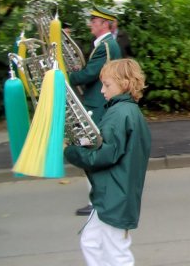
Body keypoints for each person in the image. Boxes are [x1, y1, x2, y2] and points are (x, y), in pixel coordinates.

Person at [65, 59, 151, 266]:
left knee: (117, 253)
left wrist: (71, 151)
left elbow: (101, 156)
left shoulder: (118, 114)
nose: (102, 90)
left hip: (114, 195)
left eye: (107, 85)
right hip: (115, 193)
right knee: (91, 242)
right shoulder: (128, 111)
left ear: (125, 83)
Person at [69, 6, 122, 216]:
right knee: (95, 153)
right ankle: (103, 197)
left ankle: (98, 201)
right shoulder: (105, 45)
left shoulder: (106, 46)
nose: (90, 24)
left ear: (104, 24)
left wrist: (62, 77)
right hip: (98, 105)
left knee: (93, 153)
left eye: (94, 20)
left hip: (98, 106)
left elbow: (91, 74)